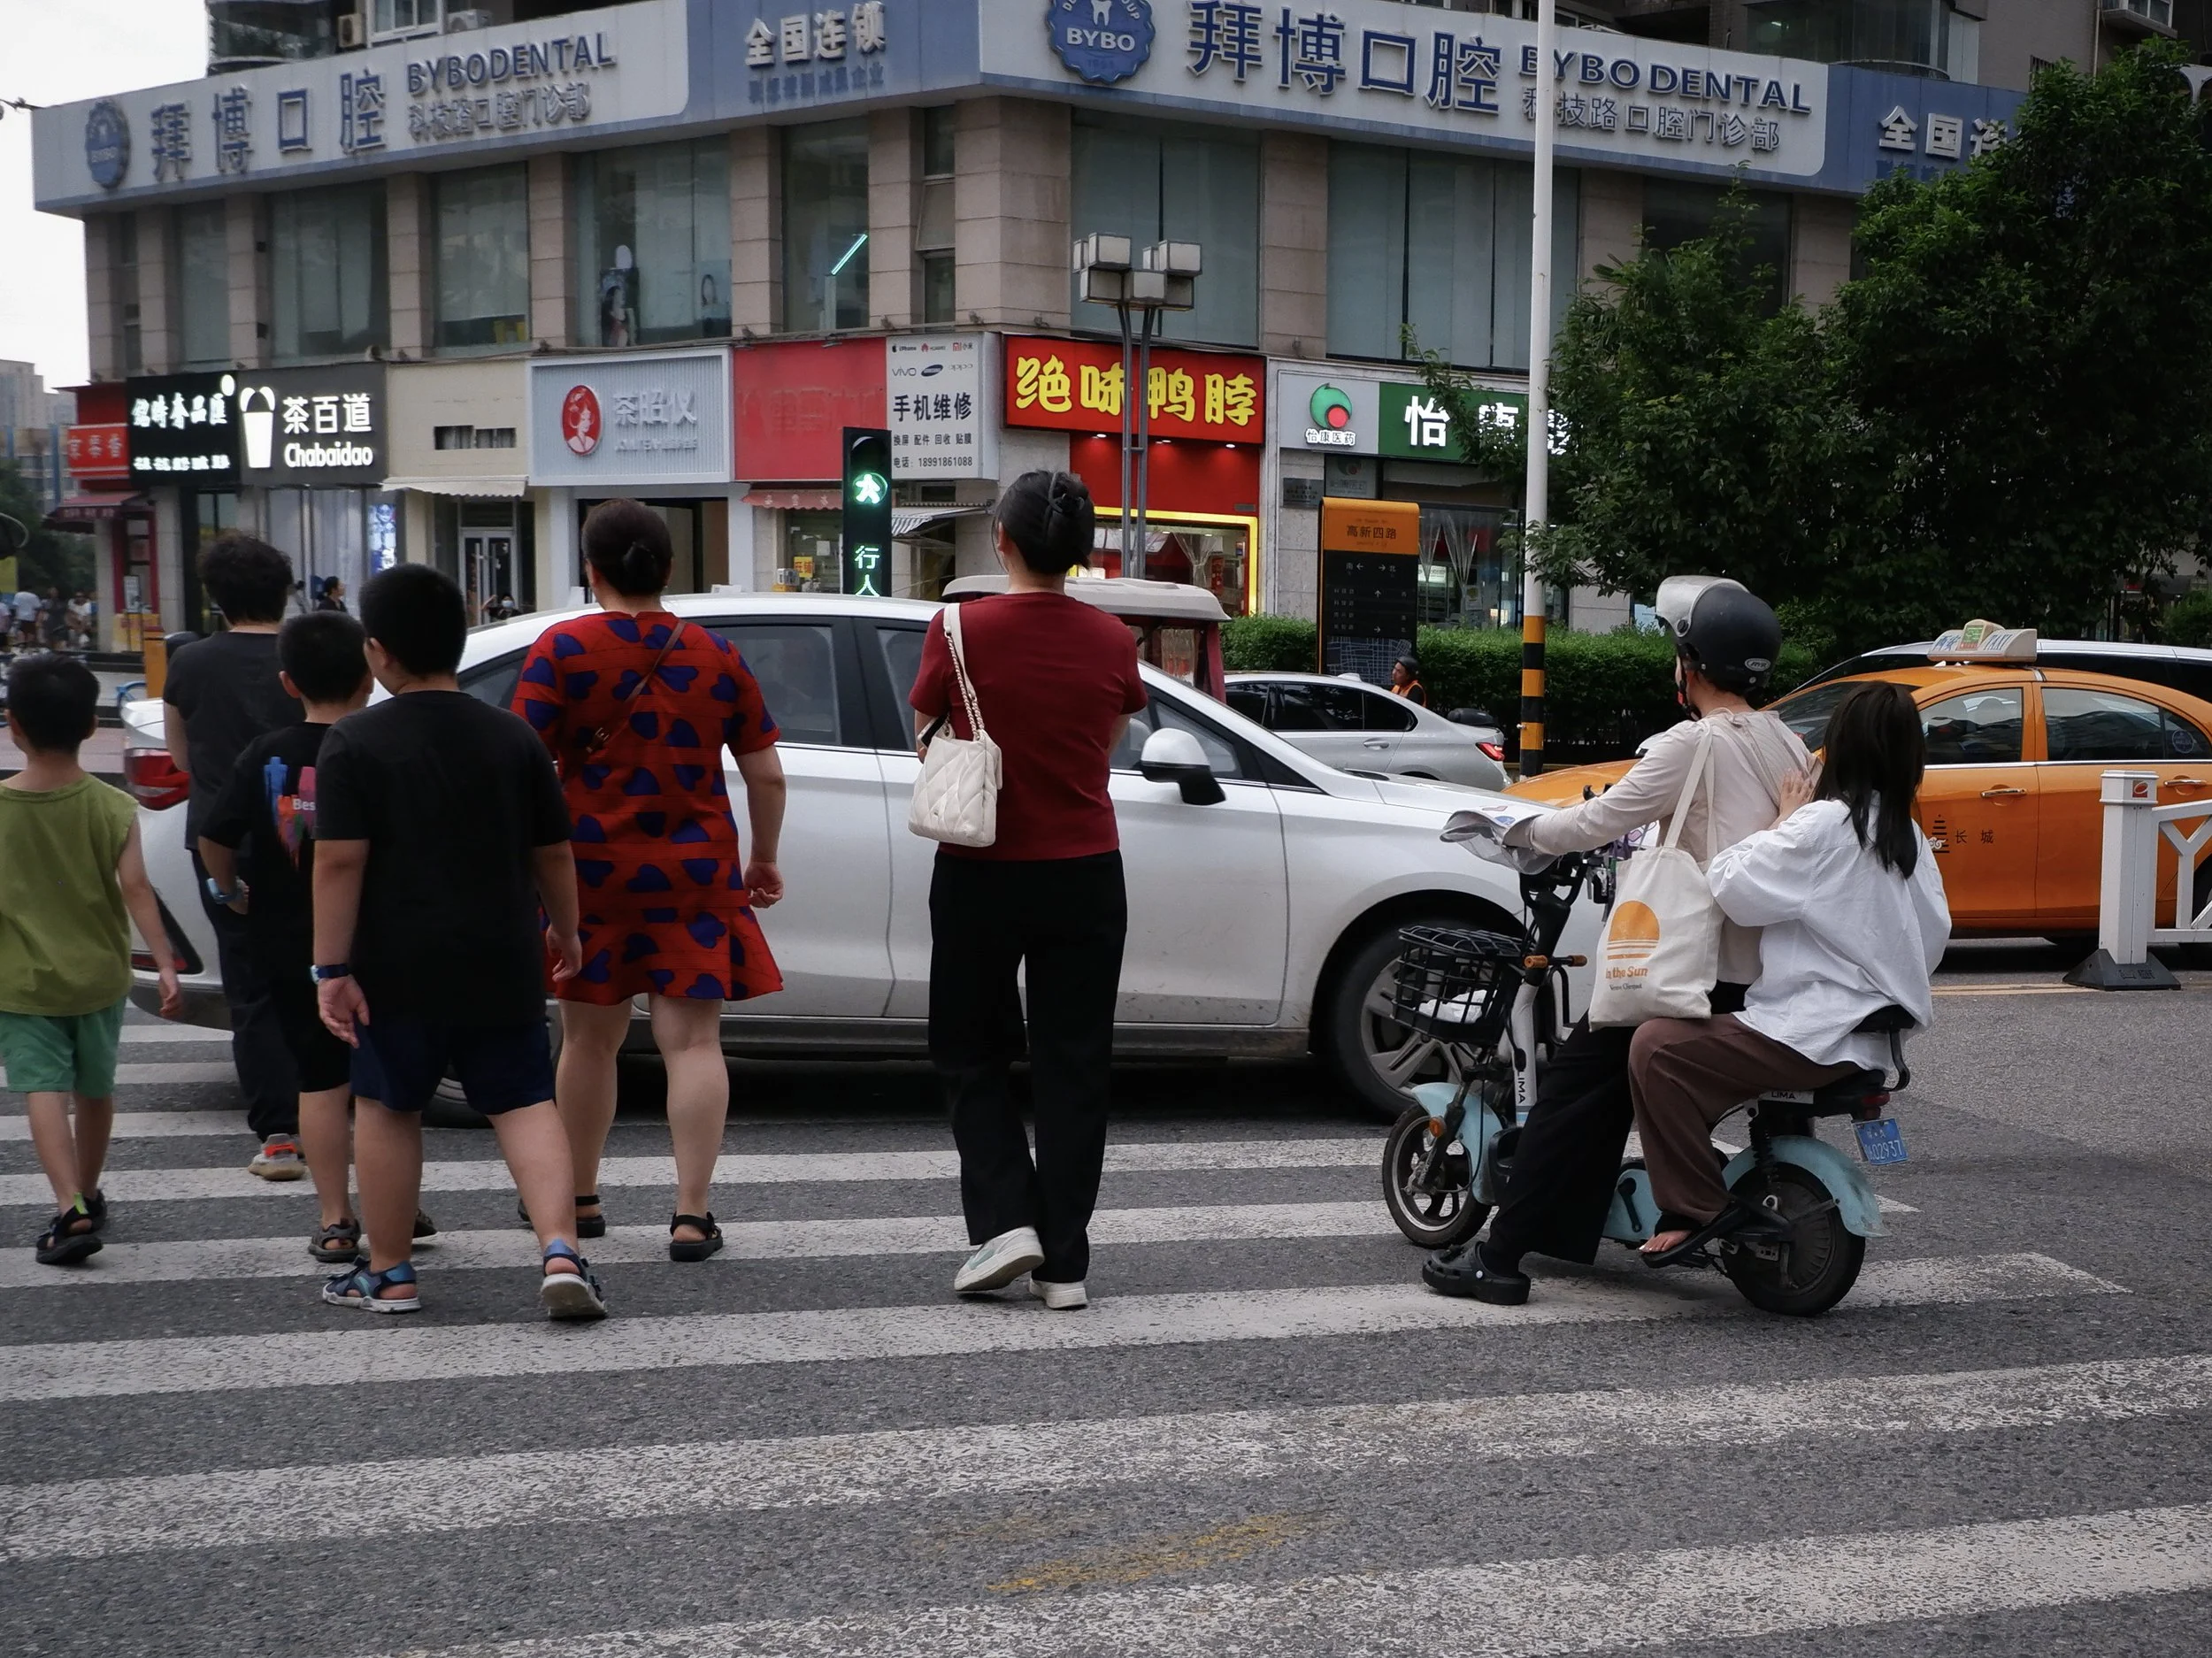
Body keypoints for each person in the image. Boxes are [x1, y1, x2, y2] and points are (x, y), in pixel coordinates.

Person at [1423, 576, 1808, 1306]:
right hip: (1751, 971)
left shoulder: (1690, 743)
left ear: (1689, 663)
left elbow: (1590, 825)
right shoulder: (1787, 742)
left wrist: (1512, 831)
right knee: (1606, 1095)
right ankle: (1592, 1227)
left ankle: (1499, 1260)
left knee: (1570, 1095)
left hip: (1682, 966)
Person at [311, 564, 603, 1318]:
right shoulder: (513, 736)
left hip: (394, 962)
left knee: (386, 1106)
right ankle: (561, 1251)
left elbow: (340, 860)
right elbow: (553, 853)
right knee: (525, 1102)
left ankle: (390, 1271)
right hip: (501, 951)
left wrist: (331, 967)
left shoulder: (354, 742)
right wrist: (566, 932)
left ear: (377, 653)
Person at [511, 500, 787, 1260]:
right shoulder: (715, 654)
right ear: (669, 570)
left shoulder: (560, 650)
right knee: (694, 1043)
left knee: (588, 1040)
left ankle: (578, 1199)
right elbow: (764, 771)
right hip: (694, 871)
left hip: (589, 870)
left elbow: (524, 766)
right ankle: (691, 1214)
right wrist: (762, 856)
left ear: (591, 571)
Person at [911, 471, 1148, 1312]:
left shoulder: (957, 628)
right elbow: (1111, 734)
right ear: (1083, 556)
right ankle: (1066, 1265)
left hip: (980, 867)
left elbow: (926, 738)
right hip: (1086, 869)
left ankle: (1008, 1218)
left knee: (970, 1050)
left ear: (1000, 541)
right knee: (1074, 1063)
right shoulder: (1114, 640)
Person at [1629, 681, 1951, 1254]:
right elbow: (1935, 935)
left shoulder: (1826, 823)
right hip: (1870, 1041)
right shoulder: (1909, 838)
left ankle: (1693, 1208)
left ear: (1840, 745)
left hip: (1810, 1034)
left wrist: (1779, 818)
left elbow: (1730, 883)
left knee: (1656, 1047)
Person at [198, 612, 438, 1265]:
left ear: (287, 681)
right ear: (369, 676)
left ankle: (337, 1219)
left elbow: (215, 837)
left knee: (318, 1080)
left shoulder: (266, 753)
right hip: (381, 939)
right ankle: (396, 1204)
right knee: (386, 1084)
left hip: (290, 943)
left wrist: (231, 892)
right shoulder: (384, 745)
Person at [0, 654, 183, 1265]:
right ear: (88, 727)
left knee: (42, 1089)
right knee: (95, 1089)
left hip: (22, 980)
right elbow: (136, 889)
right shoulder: (112, 806)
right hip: (100, 976)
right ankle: (91, 1190)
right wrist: (162, 961)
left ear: (13, 725)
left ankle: (67, 1204)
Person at [163, 534, 306, 1179]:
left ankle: (279, 1135)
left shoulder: (190, 664)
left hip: (224, 846)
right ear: (284, 592)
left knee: (250, 988)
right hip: (306, 837)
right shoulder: (305, 655)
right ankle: (338, 1110)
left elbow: (182, 758)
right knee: (322, 972)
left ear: (216, 599)